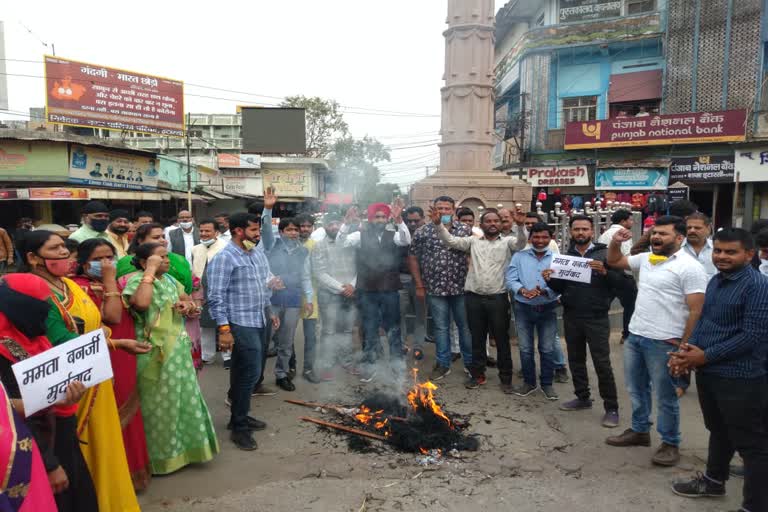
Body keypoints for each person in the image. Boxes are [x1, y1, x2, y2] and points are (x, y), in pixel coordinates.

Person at [19, 231, 140, 511]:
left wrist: (106, 338)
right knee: (80, 452)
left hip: (95, 375)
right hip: (69, 386)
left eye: (64, 247)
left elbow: (100, 322)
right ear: (32, 258)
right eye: (55, 248)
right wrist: (116, 343)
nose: (64, 253)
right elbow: (58, 339)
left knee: (105, 445)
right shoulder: (35, 292)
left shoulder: (69, 286)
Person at [669, 228, 768, 512]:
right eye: (718, 251)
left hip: (742, 377)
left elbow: (753, 336)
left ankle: (755, 506)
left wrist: (704, 356)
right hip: (710, 372)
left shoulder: (758, 287)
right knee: (719, 430)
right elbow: (705, 322)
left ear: (749, 255)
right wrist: (688, 350)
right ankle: (713, 482)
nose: (722, 256)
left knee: (752, 445)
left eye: (730, 252)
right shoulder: (715, 281)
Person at [604, 216, 707, 467]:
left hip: (666, 342)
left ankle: (670, 442)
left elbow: (696, 310)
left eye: (663, 234)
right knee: (635, 389)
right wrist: (616, 243)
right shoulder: (649, 259)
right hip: (637, 336)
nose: (656, 238)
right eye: (654, 233)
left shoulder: (689, 267)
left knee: (666, 396)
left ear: (680, 238)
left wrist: (683, 347)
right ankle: (640, 431)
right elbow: (614, 261)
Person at [0, 273, 94, 512]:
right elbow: (6, 412)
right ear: (19, 306)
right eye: (42, 304)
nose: (47, 310)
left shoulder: (33, 335)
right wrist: (50, 465)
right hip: (29, 448)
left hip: (60, 429)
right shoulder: (3, 349)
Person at [123, 243, 219, 472]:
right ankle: (159, 460)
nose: (167, 260)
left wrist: (188, 306)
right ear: (146, 262)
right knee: (158, 406)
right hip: (153, 353)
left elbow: (191, 304)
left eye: (167, 257)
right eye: (161, 257)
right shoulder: (137, 281)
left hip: (178, 351)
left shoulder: (169, 281)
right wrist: (149, 272)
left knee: (181, 401)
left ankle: (185, 453)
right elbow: (142, 304)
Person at [71, 239, 153, 491]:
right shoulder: (80, 289)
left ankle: (134, 473)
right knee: (110, 415)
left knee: (131, 413)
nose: (107, 263)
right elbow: (113, 316)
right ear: (84, 264)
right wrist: (108, 280)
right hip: (106, 355)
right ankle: (113, 481)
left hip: (126, 354)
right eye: (100, 259)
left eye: (111, 257)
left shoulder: (116, 282)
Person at [432, 207, 527, 389]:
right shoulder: (473, 242)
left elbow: (521, 244)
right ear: (481, 225)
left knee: (501, 340)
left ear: (500, 224)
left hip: (498, 299)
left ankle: (505, 379)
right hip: (473, 299)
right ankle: (478, 375)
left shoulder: (508, 242)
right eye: (488, 221)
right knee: (476, 338)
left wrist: (521, 226)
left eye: (496, 221)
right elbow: (450, 241)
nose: (492, 224)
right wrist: (438, 225)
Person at [206, 212, 277, 451]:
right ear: (238, 231)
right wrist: (224, 329)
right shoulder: (224, 258)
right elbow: (215, 297)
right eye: (254, 231)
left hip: (259, 318)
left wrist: (272, 293)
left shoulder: (256, 252)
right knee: (250, 372)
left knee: (241, 371)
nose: (258, 236)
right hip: (239, 322)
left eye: (258, 231)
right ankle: (239, 427)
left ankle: (240, 416)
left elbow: (263, 281)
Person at [544, 215, 621, 427]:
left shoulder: (605, 254)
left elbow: (621, 284)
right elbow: (561, 288)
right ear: (570, 232)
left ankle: (611, 408)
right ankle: (582, 397)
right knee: (576, 360)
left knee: (602, 363)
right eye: (576, 229)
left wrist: (606, 273)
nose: (580, 233)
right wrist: (549, 279)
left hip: (596, 317)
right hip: (572, 315)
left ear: (592, 232)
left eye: (584, 229)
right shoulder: (565, 256)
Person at [340, 201, 411, 383]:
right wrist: (346, 224)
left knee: (393, 329)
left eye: (383, 217)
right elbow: (342, 243)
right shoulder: (359, 235)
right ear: (370, 219)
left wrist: (399, 220)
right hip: (367, 290)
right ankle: (370, 366)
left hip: (390, 290)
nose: (380, 220)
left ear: (388, 219)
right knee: (370, 328)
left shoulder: (394, 234)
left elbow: (406, 240)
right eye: (376, 217)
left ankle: (397, 366)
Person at [410, 197, 473, 380]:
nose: (443, 211)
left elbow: (472, 255)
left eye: (447, 208)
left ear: (453, 211)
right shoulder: (423, 232)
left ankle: (470, 364)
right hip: (435, 288)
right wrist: (420, 284)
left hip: (460, 287)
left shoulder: (464, 230)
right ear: (432, 210)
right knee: (440, 328)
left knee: (464, 327)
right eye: (440, 208)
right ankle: (443, 364)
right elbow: (413, 257)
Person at [506, 223, 560, 399]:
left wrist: (546, 291)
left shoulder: (557, 259)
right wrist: (522, 290)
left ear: (551, 238)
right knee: (525, 348)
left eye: (544, 237)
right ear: (530, 238)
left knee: (547, 348)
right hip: (523, 307)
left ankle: (547, 384)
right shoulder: (519, 257)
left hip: (548, 307)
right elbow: (511, 279)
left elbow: (562, 285)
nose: (540, 240)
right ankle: (529, 383)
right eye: (536, 237)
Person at [267, 218, 313, 391]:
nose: (293, 233)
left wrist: (308, 299)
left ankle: (281, 374)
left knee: (287, 341)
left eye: (295, 230)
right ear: (280, 232)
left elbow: (306, 276)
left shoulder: (303, 252)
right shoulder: (272, 246)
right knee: (266, 339)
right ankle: (256, 378)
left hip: (293, 300)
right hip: (272, 300)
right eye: (289, 230)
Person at [312, 214, 358, 380]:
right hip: (330, 294)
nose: (334, 227)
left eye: (337, 223)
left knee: (347, 330)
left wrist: (353, 285)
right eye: (330, 224)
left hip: (351, 292)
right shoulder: (319, 246)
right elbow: (319, 273)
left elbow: (360, 267)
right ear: (324, 226)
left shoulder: (351, 244)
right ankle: (327, 365)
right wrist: (341, 288)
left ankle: (346, 361)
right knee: (329, 331)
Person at [522, 212, 568, 381]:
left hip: (547, 294)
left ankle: (559, 365)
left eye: (532, 223)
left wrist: (552, 291)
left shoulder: (551, 244)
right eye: (527, 223)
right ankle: (528, 369)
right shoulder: (522, 244)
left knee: (550, 337)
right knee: (526, 340)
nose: (529, 225)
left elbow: (556, 267)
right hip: (525, 298)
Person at [117, 222, 193, 295]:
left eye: (163, 237)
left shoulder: (179, 259)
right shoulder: (128, 261)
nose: (163, 240)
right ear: (140, 241)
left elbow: (192, 287)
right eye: (156, 237)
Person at [598, 208, 637, 345]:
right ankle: (626, 335)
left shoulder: (605, 234)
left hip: (605, 273)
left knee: (603, 305)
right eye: (630, 219)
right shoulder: (622, 233)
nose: (632, 222)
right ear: (623, 221)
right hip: (621, 274)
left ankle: (600, 335)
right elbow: (626, 256)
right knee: (630, 305)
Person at [192, 219, 227, 365]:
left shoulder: (226, 247)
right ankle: (207, 356)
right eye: (201, 231)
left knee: (224, 325)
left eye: (208, 231)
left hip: (222, 291)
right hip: (202, 292)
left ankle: (228, 356)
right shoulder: (196, 249)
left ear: (217, 232)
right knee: (205, 325)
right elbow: (194, 271)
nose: (204, 234)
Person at [295, 214, 321, 383]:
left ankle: (308, 369)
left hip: (310, 294)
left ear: (313, 227)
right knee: (286, 335)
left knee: (310, 335)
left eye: (308, 226)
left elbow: (318, 270)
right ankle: (289, 369)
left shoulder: (315, 246)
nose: (304, 229)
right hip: (288, 293)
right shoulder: (289, 244)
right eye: (301, 226)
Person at [401, 206, 427, 360]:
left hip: (422, 281)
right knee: (400, 314)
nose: (412, 224)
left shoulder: (430, 233)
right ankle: (402, 345)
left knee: (420, 315)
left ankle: (418, 346)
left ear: (423, 219)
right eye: (409, 221)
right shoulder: (400, 233)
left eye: (416, 220)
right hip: (402, 279)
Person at [682, 212, 717, 280]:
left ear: (708, 229)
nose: (692, 230)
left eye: (697, 228)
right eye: (689, 228)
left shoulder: (717, 248)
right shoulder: (676, 248)